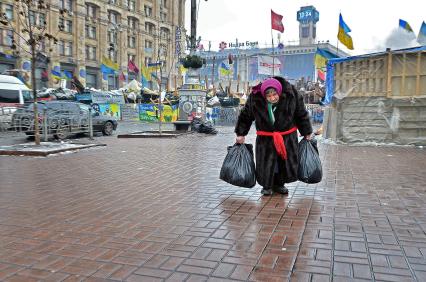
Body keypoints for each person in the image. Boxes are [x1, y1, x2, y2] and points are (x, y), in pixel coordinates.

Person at [235, 76, 313, 196]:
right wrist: (241, 133)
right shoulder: (255, 98)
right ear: (264, 95)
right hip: (266, 138)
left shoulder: (292, 95)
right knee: (267, 161)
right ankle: (267, 185)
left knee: (282, 161)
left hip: (286, 137)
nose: (272, 98)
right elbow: (245, 116)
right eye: (269, 96)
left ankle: (279, 184)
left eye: (274, 94)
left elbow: (301, 114)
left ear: (279, 91)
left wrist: (306, 131)